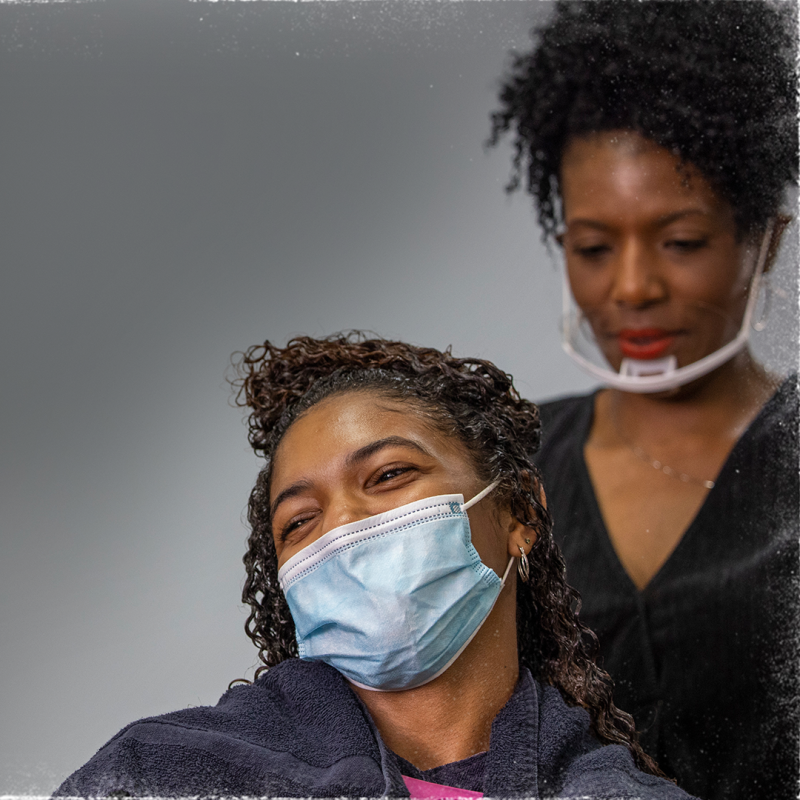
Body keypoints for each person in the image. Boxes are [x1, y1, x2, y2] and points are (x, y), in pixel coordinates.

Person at [55, 333, 695, 799]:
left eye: (388, 475)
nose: (342, 527)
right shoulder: (154, 773)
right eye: (299, 521)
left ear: (519, 510)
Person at [488, 3, 799, 799]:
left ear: (767, 239)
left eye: (682, 242)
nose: (631, 287)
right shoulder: (505, 464)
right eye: (594, 249)